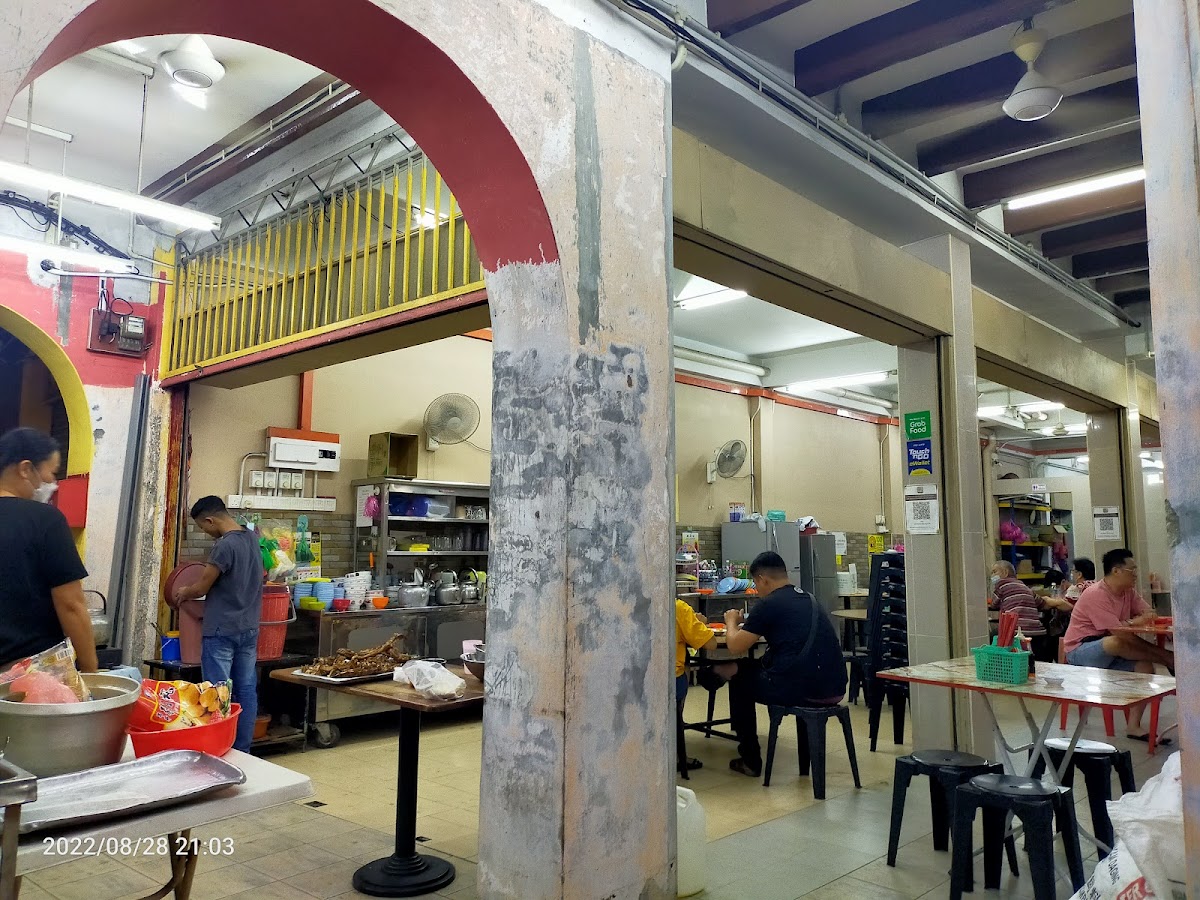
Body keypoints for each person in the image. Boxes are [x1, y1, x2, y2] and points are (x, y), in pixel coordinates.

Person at [722, 552, 846, 777]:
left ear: (762, 579)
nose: (756, 590)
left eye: (755, 584)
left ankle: (750, 760)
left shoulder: (768, 603)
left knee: (740, 681)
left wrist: (731, 621)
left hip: (802, 690)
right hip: (833, 686)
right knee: (747, 667)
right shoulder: (809, 598)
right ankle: (715, 675)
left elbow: (735, 645)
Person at [0, 428, 98, 673]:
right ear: (26, 469)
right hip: (28, 676)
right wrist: (90, 672)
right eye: (52, 472)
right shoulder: (46, 520)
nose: (53, 484)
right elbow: (71, 605)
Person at [173, 496, 264, 752]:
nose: (205, 531)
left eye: (203, 526)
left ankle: (218, 748)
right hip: (249, 628)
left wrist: (184, 592)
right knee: (246, 689)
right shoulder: (252, 538)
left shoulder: (224, 546)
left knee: (215, 693)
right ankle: (242, 749)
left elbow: (202, 586)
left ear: (210, 520)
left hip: (221, 630)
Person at [1063, 548, 1174, 740]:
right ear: (1116, 571)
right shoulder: (1095, 594)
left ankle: (1134, 726)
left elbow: (1150, 613)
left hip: (1110, 650)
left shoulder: (1127, 592)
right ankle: (1168, 659)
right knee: (1116, 642)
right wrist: (1133, 623)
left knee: (1145, 667)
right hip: (1081, 651)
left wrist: (1135, 621)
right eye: (1132, 570)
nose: (1136, 574)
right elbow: (1120, 634)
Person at [990, 560, 1072, 662]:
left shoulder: (1001, 585)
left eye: (994, 572)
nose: (992, 575)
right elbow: (1041, 603)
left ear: (1005, 572)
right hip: (1037, 632)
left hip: (1015, 631)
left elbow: (994, 604)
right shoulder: (1026, 587)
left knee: (994, 635)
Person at [674, 599, 716, 771]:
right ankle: (677, 754)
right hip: (669, 684)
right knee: (683, 668)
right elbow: (711, 644)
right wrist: (697, 622)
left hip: (634, 680)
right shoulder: (678, 608)